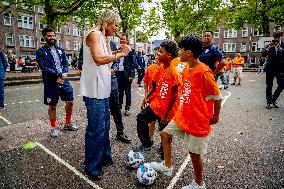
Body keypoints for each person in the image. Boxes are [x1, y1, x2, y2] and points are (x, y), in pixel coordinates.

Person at [150, 34, 222, 189]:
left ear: (188, 53)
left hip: (197, 119)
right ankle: (167, 166)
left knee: (194, 154)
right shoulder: (186, 69)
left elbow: (217, 96)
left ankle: (199, 184)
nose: (178, 53)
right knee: (164, 134)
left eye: (181, 50)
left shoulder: (204, 72)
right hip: (184, 115)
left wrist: (215, 117)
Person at [80, 10, 131, 180]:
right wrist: (120, 54)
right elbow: (98, 59)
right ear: (108, 22)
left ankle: (104, 156)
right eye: (115, 24)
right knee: (96, 129)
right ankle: (92, 167)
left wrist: (110, 69)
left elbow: (103, 64)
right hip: (94, 91)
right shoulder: (93, 34)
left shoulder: (105, 39)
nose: (116, 28)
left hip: (103, 89)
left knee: (105, 125)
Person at [136, 40, 181, 154]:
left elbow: (175, 96)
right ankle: (147, 144)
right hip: (157, 105)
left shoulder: (174, 73)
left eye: (161, 52)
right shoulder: (160, 68)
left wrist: (166, 114)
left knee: (164, 135)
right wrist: (146, 97)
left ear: (169, 55)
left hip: (168, 111)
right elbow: (154, 86)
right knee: (141, 118)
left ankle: (164, 155)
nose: (158, 54)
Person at [36, 28, 78, 138]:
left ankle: (68, 123)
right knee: (52, 105)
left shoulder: (60, 50)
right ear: (44, 37)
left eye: (53, 36)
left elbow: (65, 63)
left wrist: (64, 73)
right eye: (49, 36)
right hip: (51, 82)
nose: (52, 38)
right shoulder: (40, 52)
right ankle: (53, 127)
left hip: (64, 80)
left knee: (70, 101)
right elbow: (44, 68)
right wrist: (57, 76)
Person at [109, 40, 131, 144]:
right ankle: (102, 136)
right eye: (115, 25)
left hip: (112, 80)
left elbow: (117, 61)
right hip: (97, 84)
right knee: (102, 112)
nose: (116, 28)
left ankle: (120, 132)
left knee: (116, 108)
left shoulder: (112, 43)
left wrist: (114, 69)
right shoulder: (92, 40)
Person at [143, 47, 162, 142]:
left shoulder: (167, 69)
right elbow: (146, 82)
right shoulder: (151, 68)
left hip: (163, 103)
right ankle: (150, 139)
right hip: (152, 100)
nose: (157, 57)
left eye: (159, 55)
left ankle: (163, 145)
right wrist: (146, 95)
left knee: (163, 123)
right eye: (156, 55)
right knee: (152, 121)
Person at [262, 31, 284, 109]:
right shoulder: (269, 44)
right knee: (269, 85)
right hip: (270, 68)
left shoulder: (283, 45)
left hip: (280, 68)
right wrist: (268, 48)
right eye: (275, 38)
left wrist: (280, 48)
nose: (276, 39)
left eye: (277, 38)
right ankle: (269, 102)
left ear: (281, 37)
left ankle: (273, 99)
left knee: (282, 84)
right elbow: (263, 54)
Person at [116, 33, 136, 116]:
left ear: (127, 40)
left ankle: (127, 108)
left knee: (127, 92)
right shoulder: (118, 49)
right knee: (119, 92)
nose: (122, 40)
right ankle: (119, 107)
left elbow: (133, 63)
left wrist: (132, 75)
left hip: (127, 74)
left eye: (123, 39)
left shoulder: (131, 50)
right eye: (121, 39)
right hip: (119, 73)